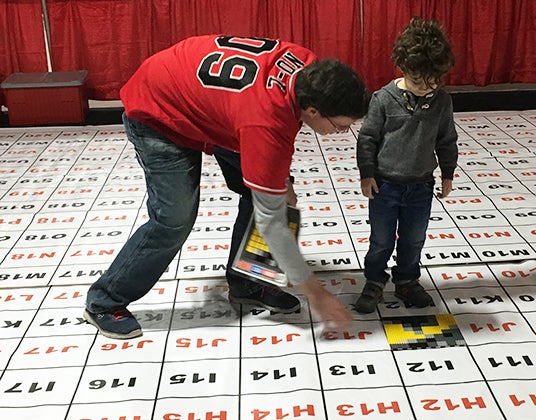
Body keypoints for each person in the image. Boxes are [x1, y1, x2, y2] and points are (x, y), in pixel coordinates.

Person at [83, 34, 370, 339]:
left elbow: (267, 134)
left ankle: (246, 281)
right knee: (174, 219)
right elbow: (271, 222)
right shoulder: (266, 121)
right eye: (340, 126)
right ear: (313, 110)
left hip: (217, 104)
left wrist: (279, 180)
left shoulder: (310, 69)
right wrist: (316, 293)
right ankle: (104, 301)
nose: (343, 133)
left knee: (266, 193)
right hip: (158, 107)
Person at [354, 17, 458, 313]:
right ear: (403, 67)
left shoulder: (441, 102)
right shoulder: (383, 99)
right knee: (381, 240)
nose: (425, 89)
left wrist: (447, 174)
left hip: (421, 186)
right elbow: (367, 139)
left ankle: (407, 281)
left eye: (432, 82)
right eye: (417, 82)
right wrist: (367, 174)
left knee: (414, 239)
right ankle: (374, 281)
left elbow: (447, 139)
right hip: (385, 185)